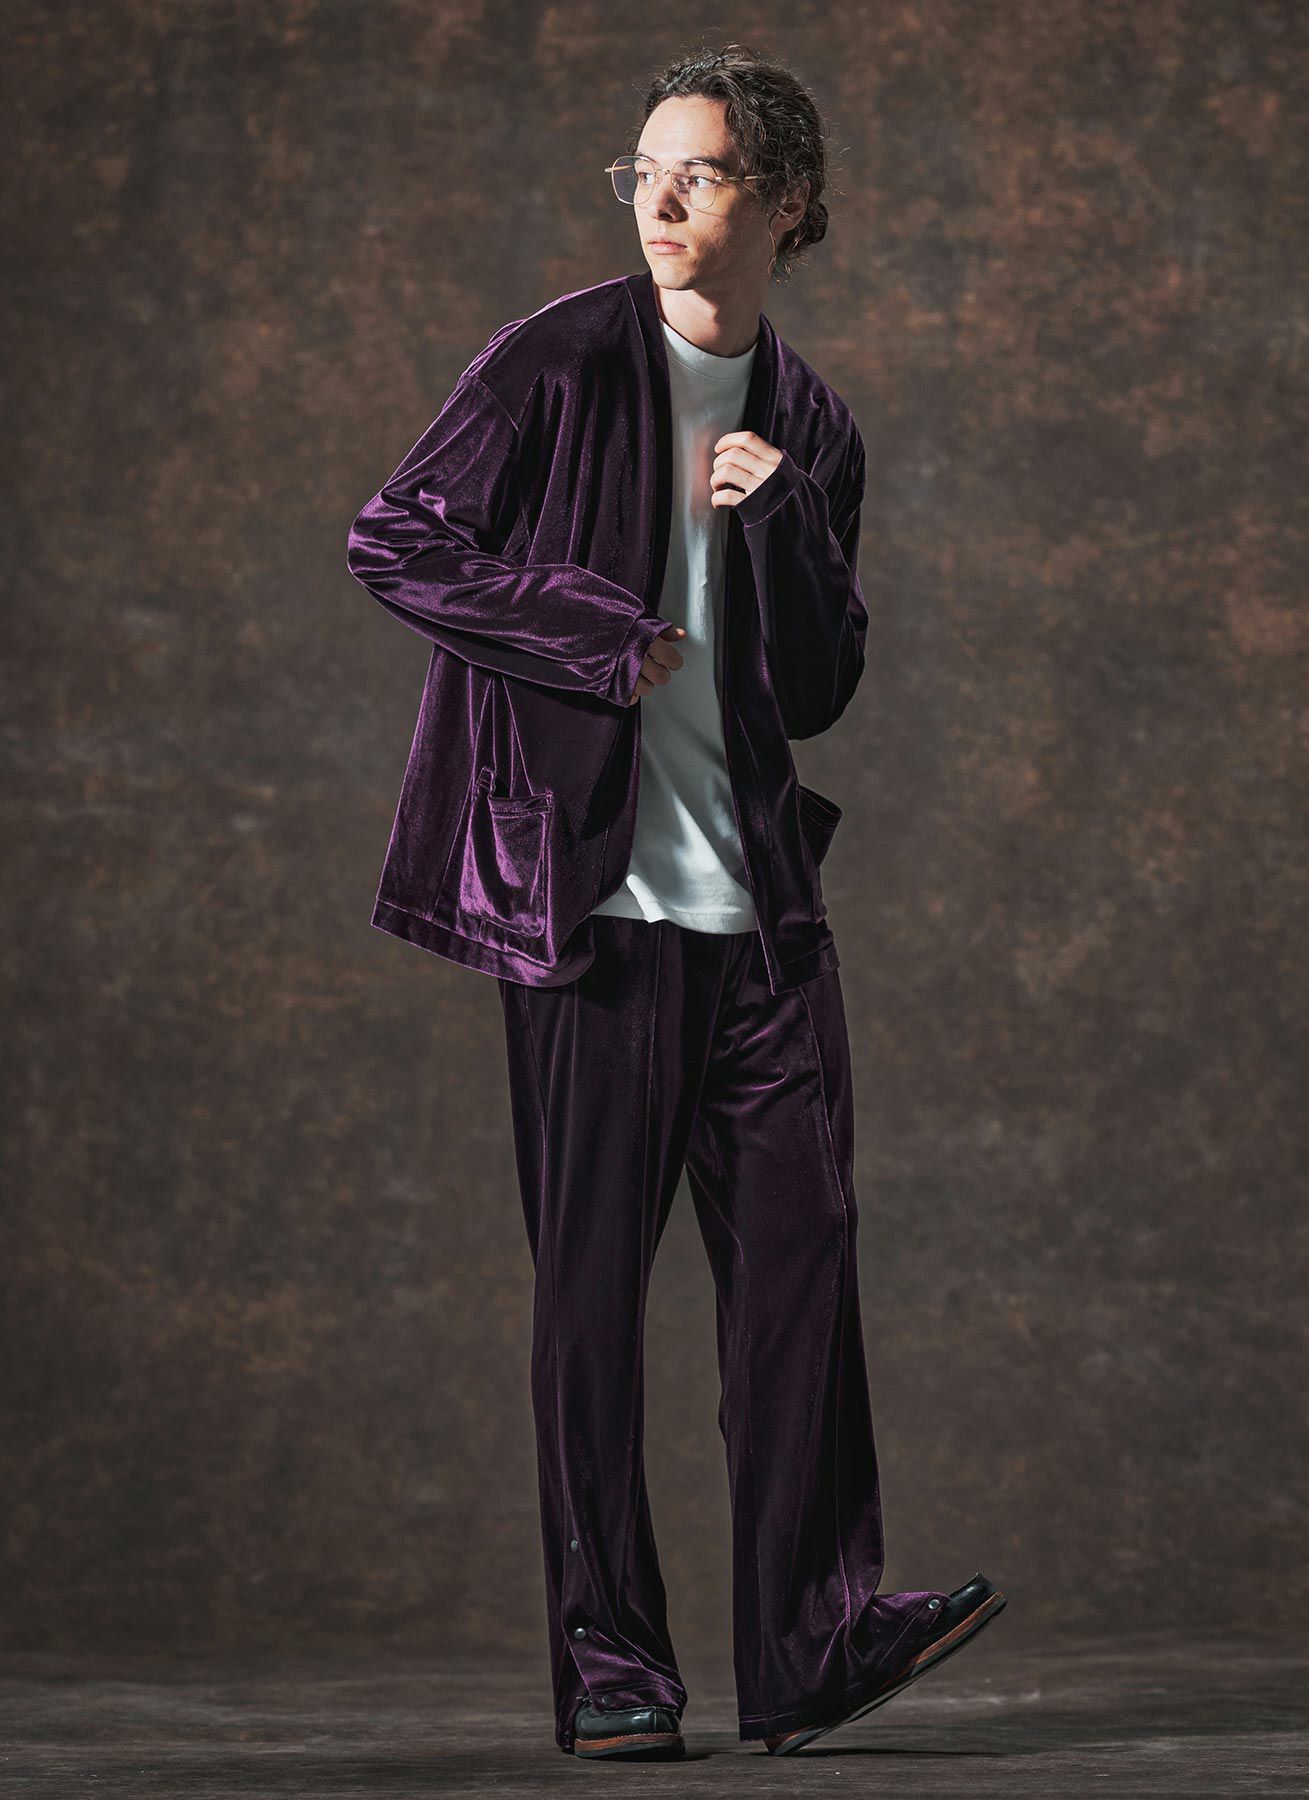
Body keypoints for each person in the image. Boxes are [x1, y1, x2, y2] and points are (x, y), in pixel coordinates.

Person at [346, 42, 1005, 1761]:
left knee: (801, 1279)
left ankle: (811, 1645)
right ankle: (613, 1665)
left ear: (785, 203)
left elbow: (822, 686)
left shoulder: (817, 426)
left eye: (698, 173)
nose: (658, 199)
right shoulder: (556, 360)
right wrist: (595, 632)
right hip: (589, 916)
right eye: (643, 169)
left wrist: (784, 521)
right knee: (591, 1306)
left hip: (760, 919)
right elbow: (396, 535)